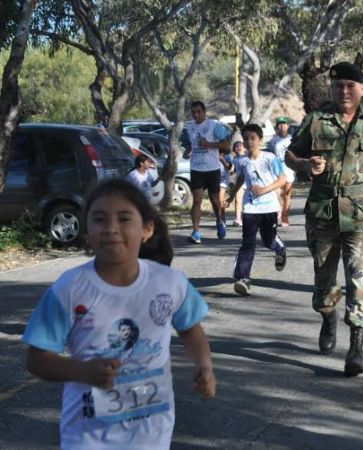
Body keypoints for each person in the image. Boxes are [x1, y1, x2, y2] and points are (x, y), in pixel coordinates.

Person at [21, 178, 215, 449]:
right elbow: (36, 359)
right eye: (99, 219)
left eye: (124, 218)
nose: (111, 228)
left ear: (147, 228)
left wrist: (204, 366)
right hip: (87, 436)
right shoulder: (69, 288)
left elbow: (190, 328)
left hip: (151, 434)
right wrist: (80, 371)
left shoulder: (170, 283)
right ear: (86, 229)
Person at [285, 61, 363, 377]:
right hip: (323, 213)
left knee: (358, 277)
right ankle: (328, 317)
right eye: (338, 86)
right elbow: (290, 155)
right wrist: (306, 164)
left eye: (350, 86)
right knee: (324, 279)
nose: (344, 91)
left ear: (361, 89)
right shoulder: (316, 120)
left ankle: (355, 348)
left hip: (361, 214)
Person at [228, 124, 288, 296]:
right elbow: (242, 176)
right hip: (250, 207)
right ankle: (243, 278)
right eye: (246, 138)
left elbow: (282, 180)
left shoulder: (270, 158)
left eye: (253, 138)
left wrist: (263, 190)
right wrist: (232, 196)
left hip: (269, 206)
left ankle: (280, 249)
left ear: (260, 140)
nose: (249, 142)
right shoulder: (241, 160)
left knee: (268, 241)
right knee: (248, 243)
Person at [183, 101, 231, 243]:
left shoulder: (213, 126)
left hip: (212, 168)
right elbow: (189, 145)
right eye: (193, 112)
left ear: (204, 112)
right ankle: (196, 232)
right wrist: (187, 151)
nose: (196, 115)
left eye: (198, 112)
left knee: (214, 199)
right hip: (196, 168)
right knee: (197, 199)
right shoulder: (189, 127)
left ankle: (219, 220)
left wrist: (209, 144)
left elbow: (227, 146)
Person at [266, 117, 295, 227]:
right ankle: (279, 210)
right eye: (279, 124)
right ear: (277, 126)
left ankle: (285, 216)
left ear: (288, 126)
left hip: (289, 168)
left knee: (286, 194)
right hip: (277, 168)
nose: (282, 126)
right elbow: (270, 154)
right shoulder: (273, 140)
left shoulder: (292, 139)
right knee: (276, 193)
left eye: (284, 124)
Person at [230, 132, 247, 227]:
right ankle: (238, 218)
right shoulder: (234, 159)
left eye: (240, 146)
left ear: (244, 148)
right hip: (239, 182)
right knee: (237, 199)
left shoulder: (247, 157)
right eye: (236, 147)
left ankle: (248, 217)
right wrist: (231, 171)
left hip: (249, 182)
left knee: (248, 201)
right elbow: (233, 170)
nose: (238, 148)